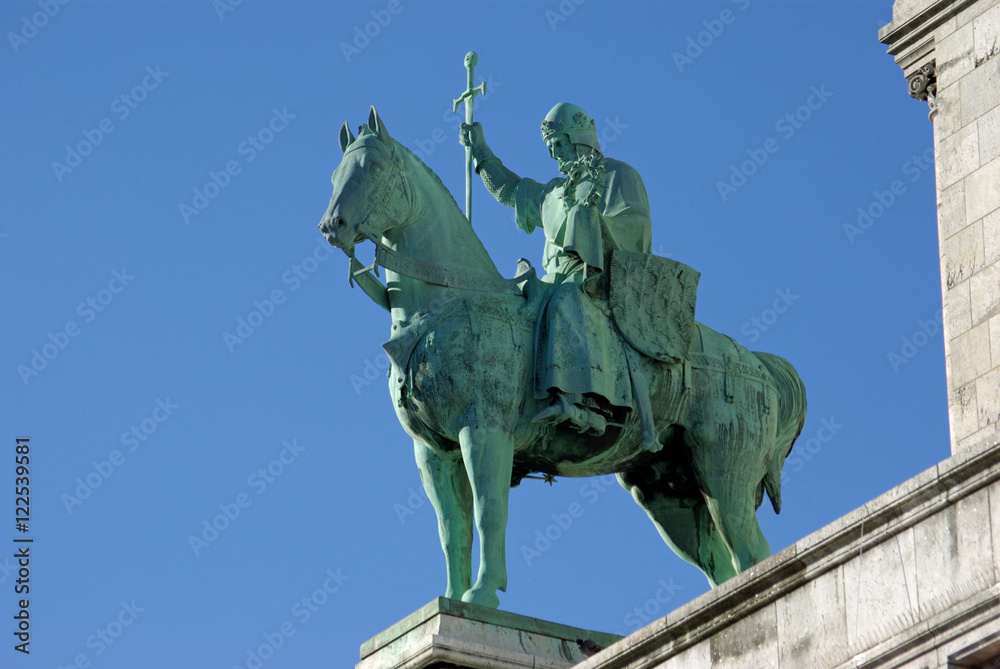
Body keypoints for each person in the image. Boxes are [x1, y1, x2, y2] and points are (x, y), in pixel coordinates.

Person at [461, 103, 655, 442]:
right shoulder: (554, 191)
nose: (555, 156)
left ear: (579, 138)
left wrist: (591, 221)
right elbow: (511, 190)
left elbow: (635, 227)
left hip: (597, 282)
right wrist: (480, 151)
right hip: (552, 281)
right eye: (551, 149)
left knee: (566, 299)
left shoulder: (618, 175)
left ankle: (584, 405)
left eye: (559, 145)